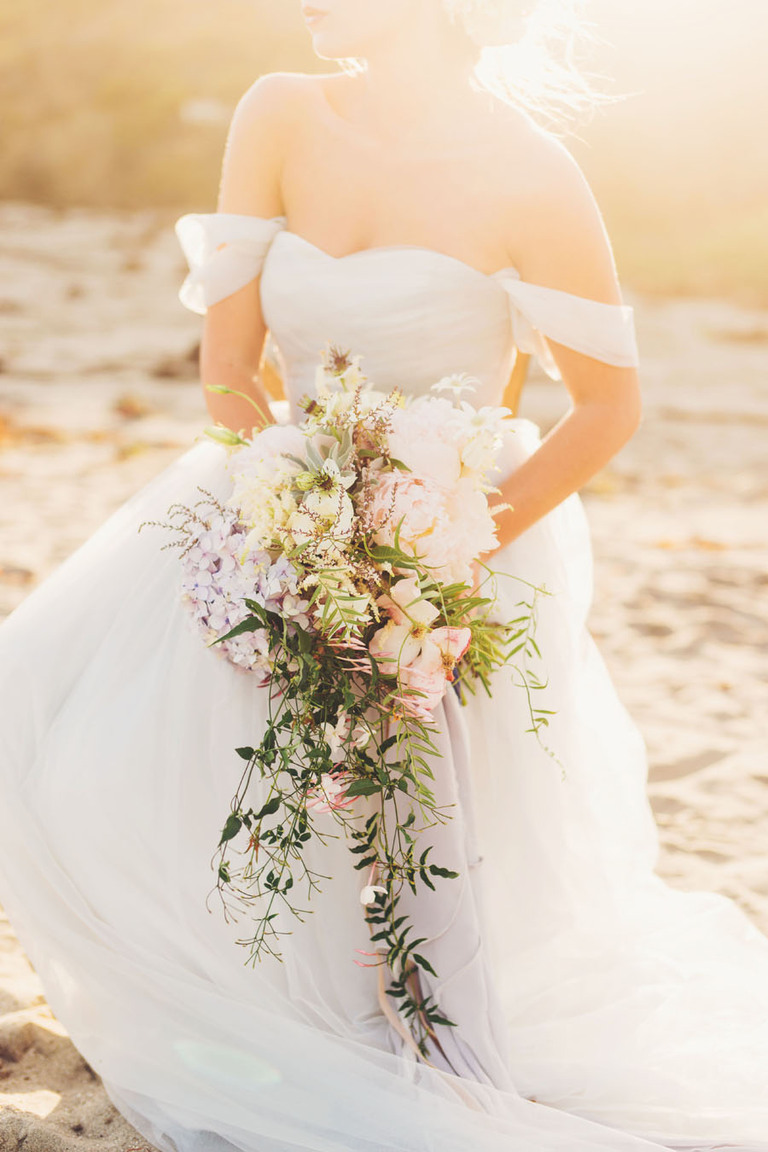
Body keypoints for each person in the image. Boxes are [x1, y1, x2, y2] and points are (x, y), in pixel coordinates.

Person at [0, 2, 767, 1150]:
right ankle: (254, 993)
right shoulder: (280, 111)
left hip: (463, 528)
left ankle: (407, 1015)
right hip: (277, 489)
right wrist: (287, 516)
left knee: (421, 798)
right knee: (74, 719)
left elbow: (609, 408)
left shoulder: (532, 173)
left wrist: (437, 550)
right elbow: (228, 367)